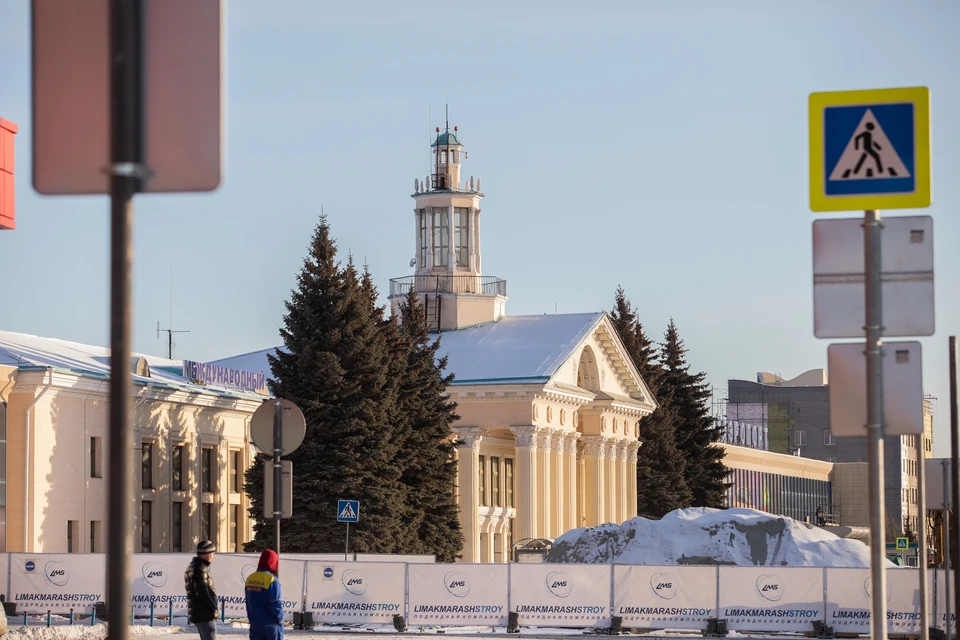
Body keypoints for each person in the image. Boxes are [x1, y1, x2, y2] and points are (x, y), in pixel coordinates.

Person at [244, 549, 284, 640]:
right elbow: (275, 603)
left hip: (255, 623)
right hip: (270, 623)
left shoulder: (250, 578)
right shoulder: (271, 579)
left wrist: (251, 619)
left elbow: (248, 602)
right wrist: (280, 619)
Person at [184, 540, 219, 640]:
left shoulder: (193, 566)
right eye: (212, 553)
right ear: (206, 553)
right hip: (204, 614)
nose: (213, 556)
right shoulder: (200, 568)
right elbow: (202, 592)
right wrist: (212, 608)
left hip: (199, 613)